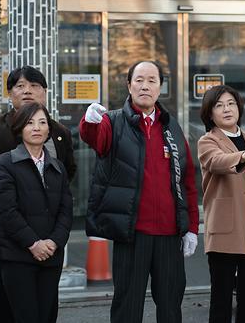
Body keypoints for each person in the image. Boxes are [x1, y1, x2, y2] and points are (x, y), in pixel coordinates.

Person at [80, 60, 199, 323]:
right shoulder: (112, 121)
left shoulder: (172, 127)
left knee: (170, 306)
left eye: (151, 80)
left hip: (169, 235)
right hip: (132, 234)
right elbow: (94, 139)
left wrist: (191, 226)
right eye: (139, 80)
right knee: (127, 306)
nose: (145, 85)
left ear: (160, 88)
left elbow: (187, 181)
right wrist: (88, 122)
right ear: (129, 85)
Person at [0, 66, 75, 323]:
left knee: (44, 310)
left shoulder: (59, 133)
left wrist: (55, 236)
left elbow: (67, 180)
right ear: (9, 94)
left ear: (44, 92)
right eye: (20, 86)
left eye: (34, 86)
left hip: (48, 237)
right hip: (4, 235)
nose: (28, 91)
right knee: (3, 310)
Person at [198, 85, 245, 323]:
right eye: (219, 105)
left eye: (231, 103)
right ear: (210, 114)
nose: (227, 109)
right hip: (226, 230)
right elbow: (217, 161)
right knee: (221, 299)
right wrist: (243, 156)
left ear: (239, 107)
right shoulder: (207, 140)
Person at [0, 102, 72, 323]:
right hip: (17, 256)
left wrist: (54, 242)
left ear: (48, 130)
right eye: (30, 123)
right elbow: (6, 211)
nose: (37, 128)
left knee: (47, 316)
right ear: (19, 128)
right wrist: (33, 244)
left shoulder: (57, 166)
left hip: (51, 256)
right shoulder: (5, 163)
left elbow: (66, 210)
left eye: (42, 122)